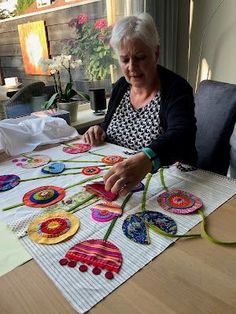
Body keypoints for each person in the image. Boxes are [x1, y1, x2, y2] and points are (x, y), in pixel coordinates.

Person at [83, 12, 197, 196]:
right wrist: (100, 130)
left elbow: (181, 135)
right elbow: (111, 125)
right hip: (120, 180)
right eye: (125, 59)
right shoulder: (121, 86)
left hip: (168, 185)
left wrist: (147, 159)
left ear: (156, 53)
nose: (132, 67)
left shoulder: (176, 88)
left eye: (140, 57)